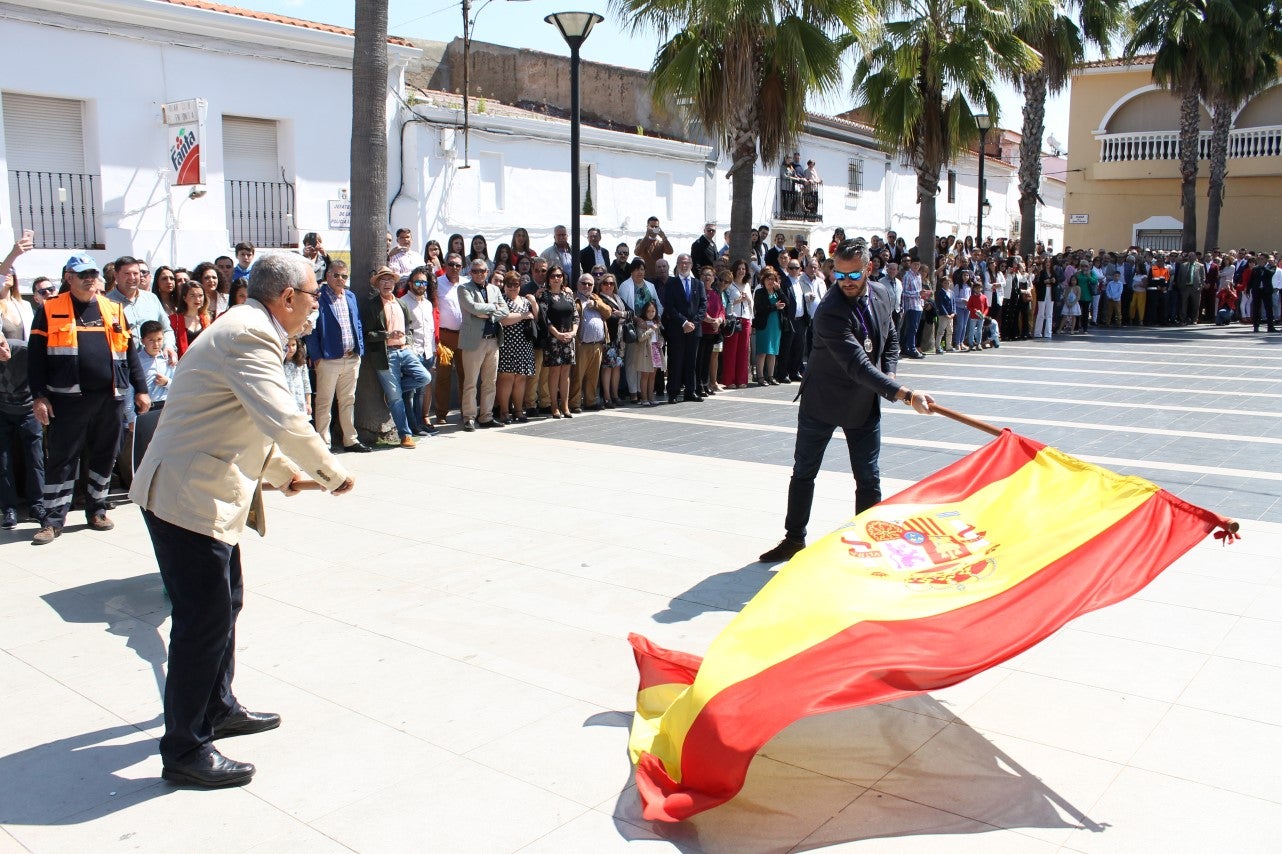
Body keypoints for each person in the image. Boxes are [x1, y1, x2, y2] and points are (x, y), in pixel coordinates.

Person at [131, 252, 353, 788]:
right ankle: (185, 748)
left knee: (224, 604)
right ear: (285, 298)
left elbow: (242, 420)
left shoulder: (249, 328)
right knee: (200, 621)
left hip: (204, 490)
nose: (315, 306)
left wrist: (281, 476)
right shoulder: (251, 334)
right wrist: (329, 473)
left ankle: (219, 706)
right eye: (311, 296)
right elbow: (281, 416)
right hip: (187, 499)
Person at [759, 240, 934, 563]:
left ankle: (870, 543)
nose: (846, 282)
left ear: (868, 268)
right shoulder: (829, 311)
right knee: (804, 472)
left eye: (852, 275)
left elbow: (891, 337)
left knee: (868, 476)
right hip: (822, 401)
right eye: (838, 276)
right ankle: (794, 538)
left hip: (863, 402)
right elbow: (857, 365)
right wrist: (906, 395)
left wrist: (891, 374)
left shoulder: (882, 294)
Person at [28, 253, 151, 545]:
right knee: (62, 458)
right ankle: (53, 519)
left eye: (92, 273)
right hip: (67, 400)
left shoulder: (112, 308)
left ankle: (96, 509)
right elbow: (35, 359)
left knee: (104, 455)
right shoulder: (50, 309)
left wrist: (141, 389)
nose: (88, 278)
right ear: (68, 278)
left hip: (110, 399)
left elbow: (130, 353)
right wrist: (39, 397)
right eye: (81, 273)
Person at [361, 266, 430, 447]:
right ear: (377, 284)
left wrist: (406, 339)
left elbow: (409, 329)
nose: (387, 284)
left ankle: (393, 394)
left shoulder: (401, 304)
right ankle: (405, 435)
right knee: (397, 398)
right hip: (385, 354)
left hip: (405, 350)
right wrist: (386, 335)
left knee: (425, 377)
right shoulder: (372, 305)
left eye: (390, 280)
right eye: (383, 280)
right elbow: (367, 334)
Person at [306, 259, 369, 453]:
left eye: (344, 276)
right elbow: (311, 329)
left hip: (351, 358)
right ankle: (323, 443)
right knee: (324, 402)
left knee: (348, 400)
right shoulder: (319, 297)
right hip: (328, 359)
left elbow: (356, 323)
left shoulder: (350, 296)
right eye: (336, 275)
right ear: (328, 276)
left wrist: (360, 350)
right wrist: (316, 356)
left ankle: (350, 439)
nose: (340, 279)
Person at [457, 259, 509, 431]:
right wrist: (491, 308)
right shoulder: (464, 288)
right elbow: (471, 307)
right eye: (475, 271)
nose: (479, 274)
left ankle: (486, 416)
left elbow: (505, 310)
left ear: (488, 272)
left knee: (490, 381)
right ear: (470, 273)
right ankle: (469, 417)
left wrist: (486, 312)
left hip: (493, 340)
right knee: (471, 382)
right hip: (474, 342)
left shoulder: (494, 288)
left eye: (482, 271)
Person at [399, 266, 439, 437]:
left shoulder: (428, 303)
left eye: (424, 282)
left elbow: (429, 330)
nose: (421, 285)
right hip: (412, 352)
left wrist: (434, 351)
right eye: (417, 281)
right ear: (410, 283)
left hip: (428, 352)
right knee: (410, 392)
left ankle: (420, 423)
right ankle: (412, 426)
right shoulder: (403, 302)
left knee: (422, 390)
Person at [662, 254, 706, 404]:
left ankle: (690, 391)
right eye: (681, 263)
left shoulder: (698, 284)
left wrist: (693, 323)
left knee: (691, 362)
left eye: (686, 263)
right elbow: (669, 306)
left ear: (691, 265)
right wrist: (683, 322)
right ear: (677, 265)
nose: (684, 265)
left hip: (694, 329)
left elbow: (703, 306)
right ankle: (673, 392)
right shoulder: (671, 283)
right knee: (676, 361)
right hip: (677, 329)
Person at [496, 271, 537, 424]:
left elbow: (536, 317)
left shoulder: (525, 301)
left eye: (516, 285)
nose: (513, 288)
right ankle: (504, 411)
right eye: (510, 285)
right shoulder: (502, 300)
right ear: (505, 286)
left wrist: (533, 304)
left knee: (521, 378)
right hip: (507, 345)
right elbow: (504, 319)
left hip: (525, 345)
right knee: (506, 378)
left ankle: (518, 410)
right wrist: (523, 315)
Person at [538, 266, 579, 419]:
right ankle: (554, 406)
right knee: (554, 372)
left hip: (569, 338)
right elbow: (544, 318)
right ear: (548, 279)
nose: (556, 278)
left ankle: (565, 405)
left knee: (565, 373)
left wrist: (573, 332)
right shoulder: (545, 296)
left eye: (559, 275)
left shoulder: (568, 295)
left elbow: (575, 315)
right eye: (553, 276)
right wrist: (557, 334)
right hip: (553, 338)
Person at [569, 272, 611, 412]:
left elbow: (608, 312)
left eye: (590, 284)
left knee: (593, 376)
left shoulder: (596, 298)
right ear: (578, 284)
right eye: (584, 283)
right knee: (577, 375)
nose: (586, 286)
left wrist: (597, 305)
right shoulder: (574, 299)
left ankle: (590, 401)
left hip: (597, 344)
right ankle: (574, 403)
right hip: (582, 344)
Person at [433, 254, 466, 426]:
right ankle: (440, 413)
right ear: (445, 264)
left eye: (458, 265)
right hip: (445, 336)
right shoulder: (437, 283)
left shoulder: (466, 282)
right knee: (443, 376)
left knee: (465, 376)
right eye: (451, 264)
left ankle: (465, 412)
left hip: (465, 336)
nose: (454, 268)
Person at [721, 260, 752, 388]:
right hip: (734, 320)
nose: (741, 271)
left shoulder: (747, 285)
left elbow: (751, 304)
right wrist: (738, 300)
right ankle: (729, 380)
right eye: (739, 268)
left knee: (743, 351)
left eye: (743, 269)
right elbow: (726, 304)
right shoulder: (730, 285)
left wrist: (748, 300)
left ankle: (741, 379)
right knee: (731, 351)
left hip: (746, 319)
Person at [753, 268, 785, 386]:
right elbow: (760, 309)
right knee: (762, 351)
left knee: (773, 351)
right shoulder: (760, 292)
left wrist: (780, 290)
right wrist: (774, 307)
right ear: (763, 280)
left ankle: (771, 376)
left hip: (776, 324)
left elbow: (787, 303)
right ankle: (760, 376)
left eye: (773, 279)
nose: (771, 281)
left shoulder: (777, 292)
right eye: (768, 279)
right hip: (764, 324)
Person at [136, 320, 175, 409]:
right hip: (146, 408)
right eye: (151, 340)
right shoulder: (137, 362)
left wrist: (166, 382)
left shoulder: (169, 359)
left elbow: (180, 385)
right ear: (142, 341)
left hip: (167, 406)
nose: (156, 344)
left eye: (159, 339)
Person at [630, 301, 661, 405]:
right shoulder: (641, 323)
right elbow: (640, 338)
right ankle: (644, 398)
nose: (651, 313)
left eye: (653, 311)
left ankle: (651, 397)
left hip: (655, 350)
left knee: (652, 376)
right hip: (645, 352)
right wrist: (650, 330)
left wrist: (662, 341)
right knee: (645, 376)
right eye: (648, 311)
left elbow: (659, 336)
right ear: (644, 312)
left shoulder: (656, 323)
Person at [170, 279, 210, 358]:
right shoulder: (174, 320)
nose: (197, 299)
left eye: (200, 295)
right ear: (184, 298)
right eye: (192, 295)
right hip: (182, 364)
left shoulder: (207, 319)